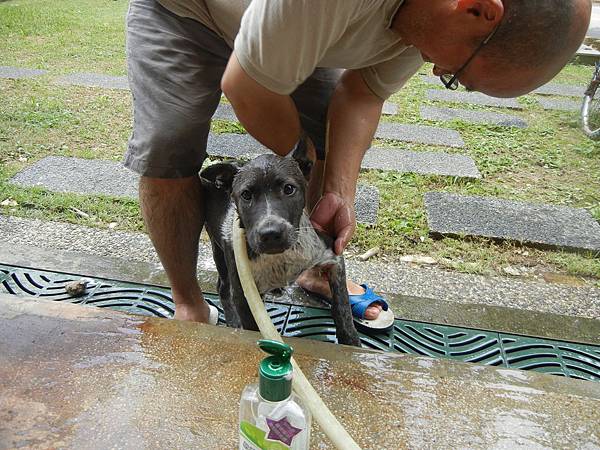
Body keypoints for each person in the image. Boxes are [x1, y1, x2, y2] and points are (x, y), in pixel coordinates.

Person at [125, 0, 591, 324]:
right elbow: (247, 85)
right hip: (187, 13)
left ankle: (310, 266)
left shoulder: (430, 21)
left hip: (287, 28)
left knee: (323, 133)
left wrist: (338, 191)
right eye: (461, 76)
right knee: (170, 142)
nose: (438, 72)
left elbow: (363, 92)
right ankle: (188, 302)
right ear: (478, 10)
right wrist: (301, 164)